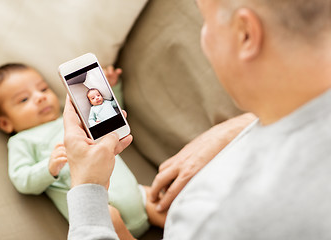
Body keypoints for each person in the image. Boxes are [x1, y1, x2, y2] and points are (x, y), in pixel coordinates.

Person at [63, 0, 331, 239]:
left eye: (206, 22)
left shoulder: (213, 212)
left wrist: (87, 187)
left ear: (246, 34)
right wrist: (235, 129)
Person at [0, 63, 165, 240]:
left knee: (164, 200)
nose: (40, 97)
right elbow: (21, 178)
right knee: (110, 216)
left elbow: (106, 116)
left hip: (136, 193)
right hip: (101, 209)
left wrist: (111, 90)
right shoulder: (22, 140)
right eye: (24, 99)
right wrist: (49, 167)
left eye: (43, 89)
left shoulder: (72, 116)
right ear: (5, 123)